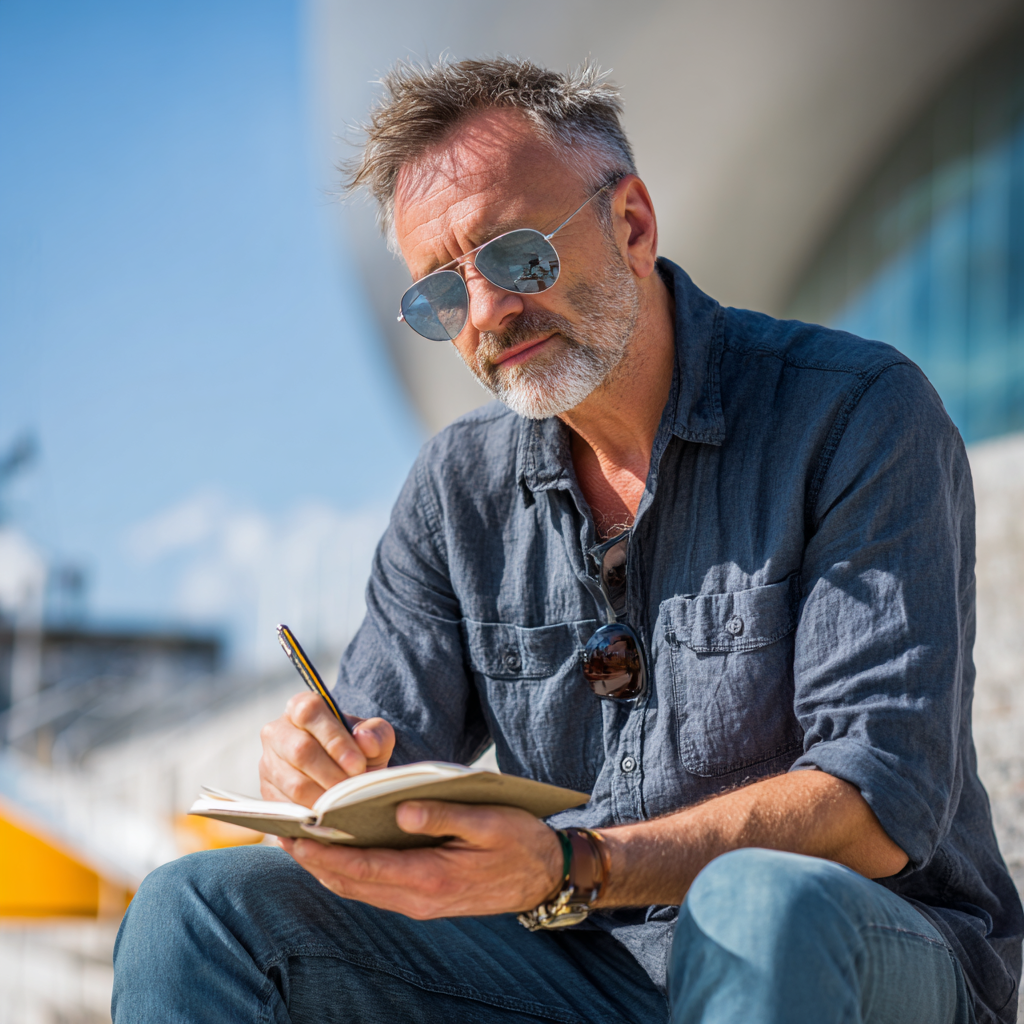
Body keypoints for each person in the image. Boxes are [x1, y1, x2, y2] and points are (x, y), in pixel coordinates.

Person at [112, 58, 1023, 1024]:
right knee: (195, 911)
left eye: (513, 255)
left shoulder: (855, 413)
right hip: (577, 972)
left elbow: (877, 801)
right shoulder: (454, 489)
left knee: (753, 901)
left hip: (859, 952)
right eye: (439, 296)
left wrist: (574, 866)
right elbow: (381, 765)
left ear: (630, 222)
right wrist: (325, 776)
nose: (488, 313)